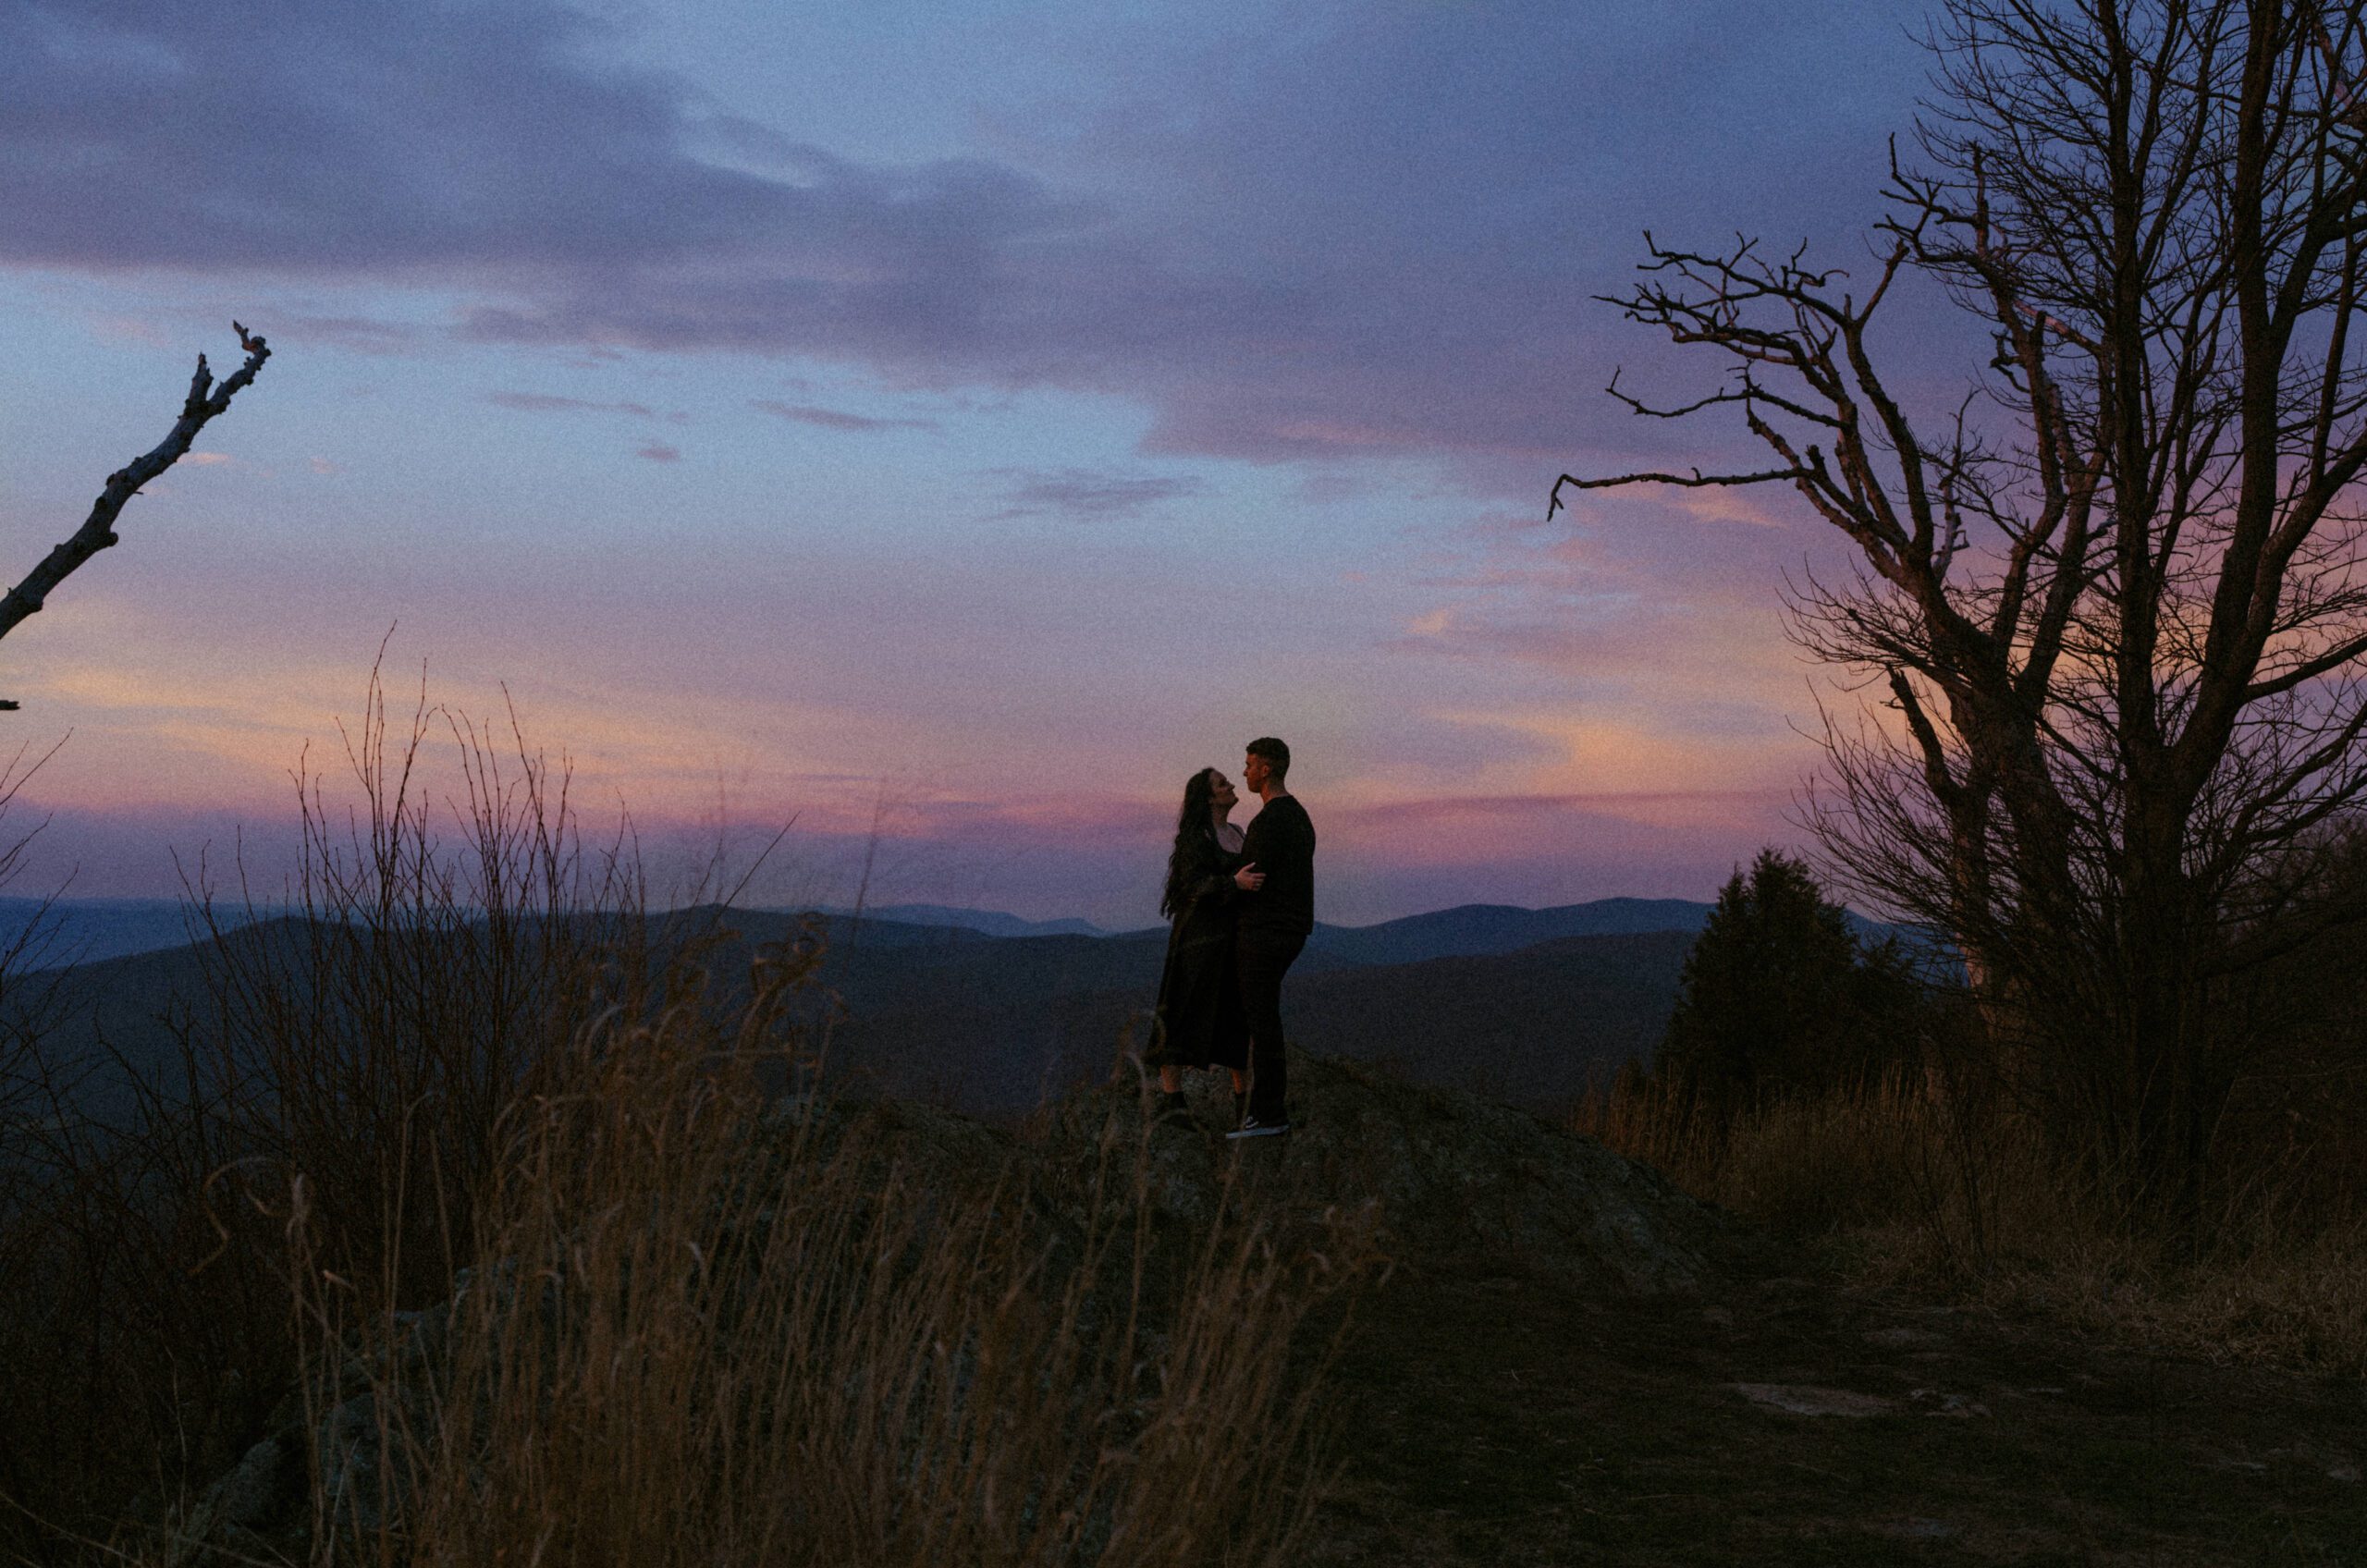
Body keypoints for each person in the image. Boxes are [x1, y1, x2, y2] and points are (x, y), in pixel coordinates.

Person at [1147, 766, 1259, 1126]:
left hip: (1232, 939)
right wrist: (1233, 884)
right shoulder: (1197, 837)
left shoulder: (1238, 833)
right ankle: (1171, 1103)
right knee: (1183, 1009)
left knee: (1236, 1013)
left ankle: (1246, 1102)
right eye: (1222, 784)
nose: (1231, 786)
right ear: (1209, 797)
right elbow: (1190, 886)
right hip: (1198, 940)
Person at [1228, 736, 1313, 1138]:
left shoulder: (1270, 821)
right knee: (1265, 1018)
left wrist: (1227, 883)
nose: (1243, 771)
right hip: (1292, 928)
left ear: (1266, 768)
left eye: (1249, 764)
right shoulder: (1299, 816)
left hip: (1265, 932)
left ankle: (1268, 1113)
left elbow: (1251, 878)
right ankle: (1267, 1109)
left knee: (1262, 1021)